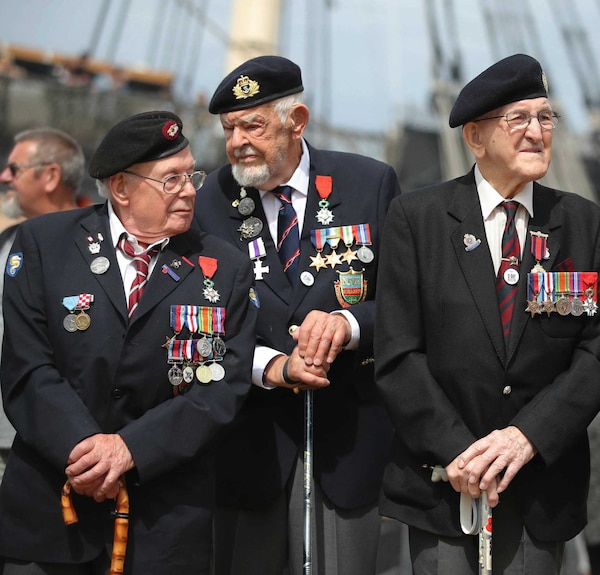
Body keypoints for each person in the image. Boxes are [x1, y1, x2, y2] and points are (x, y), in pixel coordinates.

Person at [374, 53, 600, 574]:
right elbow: (398, 355)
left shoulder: (584, 225)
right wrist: (461, 452)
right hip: (442, 486)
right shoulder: (416, 220)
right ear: (475, 137)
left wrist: (526, 436)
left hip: (540, 491)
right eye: (518, 119)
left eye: (545, 117)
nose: (536, 132)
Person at [0, 111, 257, 573]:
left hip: (162, 530)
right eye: (171, 179)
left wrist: (130, 449)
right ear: (121, 187)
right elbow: (27, 367)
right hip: (52, 516)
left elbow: (222, 389)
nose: (190, 190)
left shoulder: (226, 267)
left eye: (191, 174)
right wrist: (86, 449)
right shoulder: (45, 244)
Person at [193, 55, 401, 575]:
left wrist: (349, 326)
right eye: (229, 128)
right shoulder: (208, 202)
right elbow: (196, 326)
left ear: (297, 121)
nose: (238, 141)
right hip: (249, 451)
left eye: (253, 125)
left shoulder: (367, 183)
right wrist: (268, 364)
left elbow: (406, 302)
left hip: (348, 446)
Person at [0, 127, 84, 484]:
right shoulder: (7, 240)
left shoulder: (97, 249)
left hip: (49, 449)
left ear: (50, 175)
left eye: (15, 169)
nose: (5, 177)